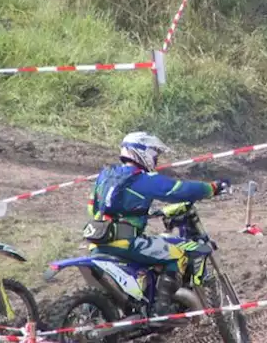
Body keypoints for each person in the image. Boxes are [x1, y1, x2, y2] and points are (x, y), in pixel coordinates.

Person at [85, 132, 229, 315]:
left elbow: (93, 209)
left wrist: (138, 212)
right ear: (141, 152)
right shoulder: (142, 179)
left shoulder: (105, 176)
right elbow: (178, 190)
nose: (156, 160)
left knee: (156, 247)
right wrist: (212, 188)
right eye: (155, 155)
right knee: (179, 251)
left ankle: (143, 299)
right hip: (126, 244)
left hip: (97, 242)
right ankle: (162, 310)